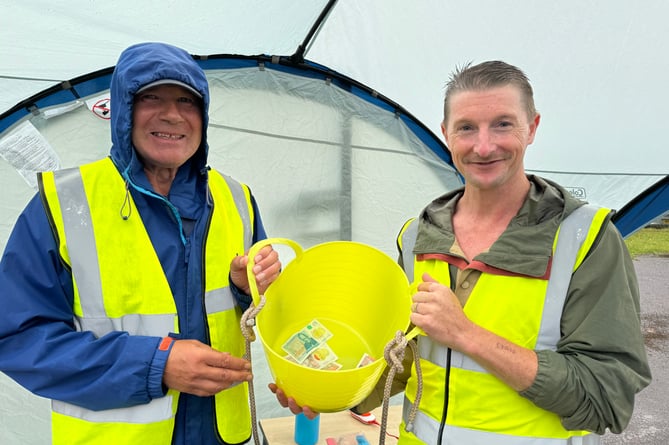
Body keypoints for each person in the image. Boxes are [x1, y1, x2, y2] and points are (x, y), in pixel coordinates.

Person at [272, 60, 652, 444]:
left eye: (503, 124)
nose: (483, 146)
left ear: (532, 127)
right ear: (446, 134)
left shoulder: (584, 240)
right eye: (467, 128)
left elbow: (608, 398)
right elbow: (406, 359)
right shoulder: (417, 236)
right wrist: (328, 389)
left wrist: (468, 335)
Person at [0, 42, 281, 445]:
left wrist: (246, 290)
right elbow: (18, 337)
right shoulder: (65, 203)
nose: (172, 114)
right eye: (151, 97)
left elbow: (266, 315)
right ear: (123, 110)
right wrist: (156, 365)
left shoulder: (236, 198)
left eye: (188, 101)